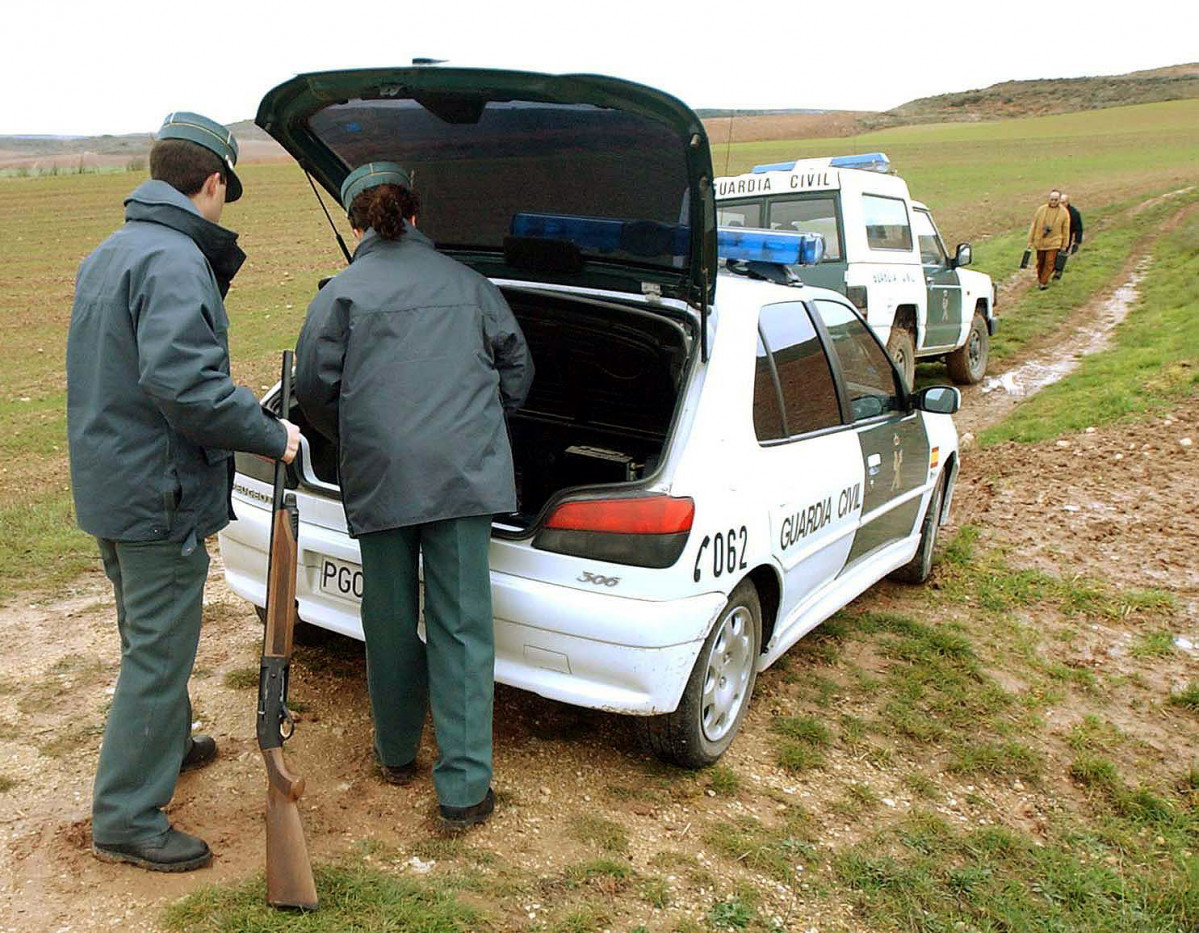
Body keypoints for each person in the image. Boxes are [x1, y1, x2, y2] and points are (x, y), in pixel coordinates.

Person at [66, 112, 301, 871]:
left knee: (146, 634)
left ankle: (165, 741)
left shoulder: (114, 250)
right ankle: (128, 817)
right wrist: (272, 433)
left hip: (113, 482)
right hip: (155, 491)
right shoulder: (172, 260)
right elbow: (185, 386)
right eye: (225, 193)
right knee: (158, 655)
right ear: (211, 183)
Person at [294, 162, 533, 831]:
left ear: (354, 223)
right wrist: (481, 423)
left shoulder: (338, 295)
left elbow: (313, 388)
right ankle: (462, 790)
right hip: (463, 477)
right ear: (416, 216)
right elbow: (518, 369)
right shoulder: (471, 285)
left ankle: (395, 753)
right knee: (462, 624)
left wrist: (358, 436)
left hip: (381, 478)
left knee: (389, 618)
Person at [1026, 189, 1071, 289]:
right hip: (1040, 241)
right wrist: (1030, 240)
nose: (1053, 202)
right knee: (1040, 262)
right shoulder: (1041, 210)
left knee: (1049, 262)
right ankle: (1040, 278)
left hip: (1054, 242)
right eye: (1052, 199)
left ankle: (1044, 282)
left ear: (1059, 200)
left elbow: (1066, 230)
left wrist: (1064, 245)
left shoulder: (1064, 213)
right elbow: (1034, 225)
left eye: (1056, 200)